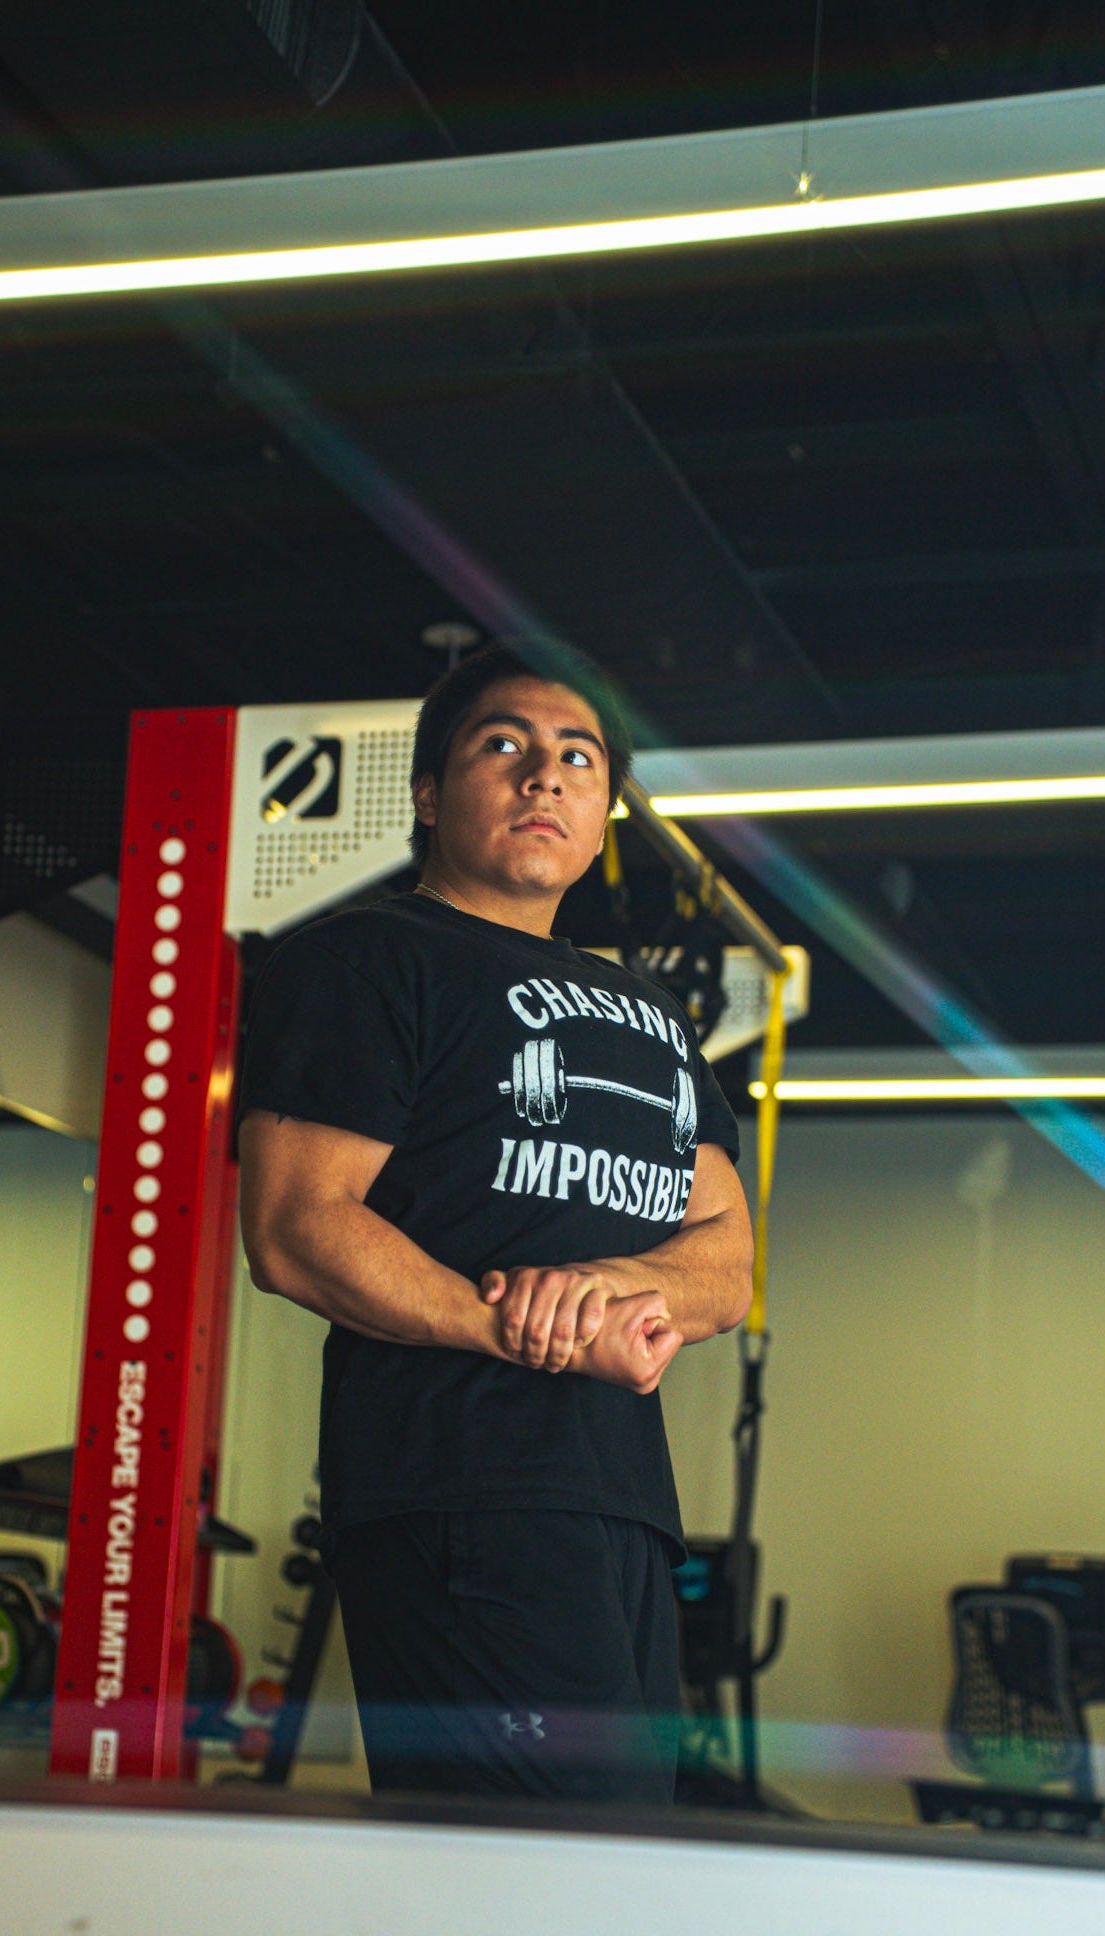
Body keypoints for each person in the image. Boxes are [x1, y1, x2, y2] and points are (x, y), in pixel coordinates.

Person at [236, 642, 752, 1802]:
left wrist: (614, 1288)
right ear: (428, 794)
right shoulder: (367, 958)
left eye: (578, 758)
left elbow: (727, 1258)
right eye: (503, 744)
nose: (544, 775)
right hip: (456, 1488)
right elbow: (294, 1224)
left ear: (602, 817)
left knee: (622, 1853)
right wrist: (515, 1321)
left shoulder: (654, 1014)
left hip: (623, 1503)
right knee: (531, 1867)